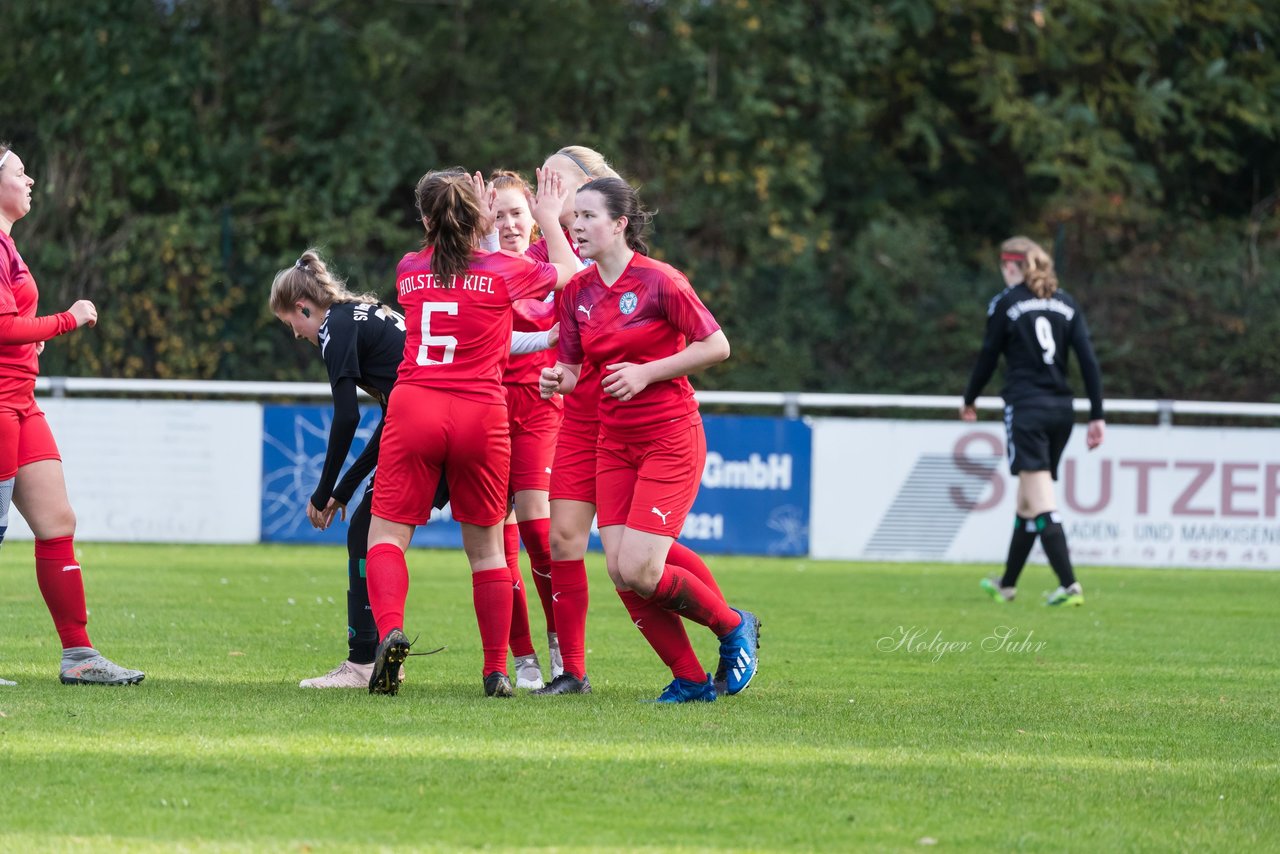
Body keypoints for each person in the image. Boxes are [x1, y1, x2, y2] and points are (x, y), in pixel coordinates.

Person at [540, 177, 759, 703]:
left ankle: (732, 627)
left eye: (589, 216)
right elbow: (571, 369)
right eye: (575, 216)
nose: (577, 225)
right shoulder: (577, 292)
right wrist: (556, 380)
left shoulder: (661, 281)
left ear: (620, 224)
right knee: (621, 570)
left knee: (641, 567)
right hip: (613, 441)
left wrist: (648, 372)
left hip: (669, 436)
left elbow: (717, 346)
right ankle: (689, 679)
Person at [365, 167, 579, 697]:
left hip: (416, 405)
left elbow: (449, 261)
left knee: (388, 536)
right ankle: (496, 669)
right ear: (482, 215)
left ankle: (390, 630)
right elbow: (570, 273)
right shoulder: (505, 271)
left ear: (423, 218)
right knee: (487, 551)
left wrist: (473, 217)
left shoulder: (408, 269)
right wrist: (547, 219)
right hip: (481, 412)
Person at [0, 144, 144, 686]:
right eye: (20, 171)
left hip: (21, 402)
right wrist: (68, 318)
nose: (31, 179)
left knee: (58, 523)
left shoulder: (8, 246)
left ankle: (79, 657)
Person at [961, 235, 1105, 607]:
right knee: (1027, 503)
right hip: (1062, 412)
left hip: (1027, 410)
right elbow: (1088, 362)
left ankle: (1069, 585)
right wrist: (1098, 415)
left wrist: (970, 397)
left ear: (1011, 266)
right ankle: (1007, 584)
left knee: (1042, 502)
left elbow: (988, 356)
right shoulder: (1066, 304)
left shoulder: (1005, 303)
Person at [492, 170, 561, 690]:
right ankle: (524, 656)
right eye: (497, 215)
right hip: (488, 407)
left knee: (541, 532)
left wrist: (551, 218)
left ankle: (562, 642)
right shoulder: (477, 269)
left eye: (517, 213)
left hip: (541, 405)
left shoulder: (548, 263)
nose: (510, 224)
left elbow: (582, 278)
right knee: (499, 540)